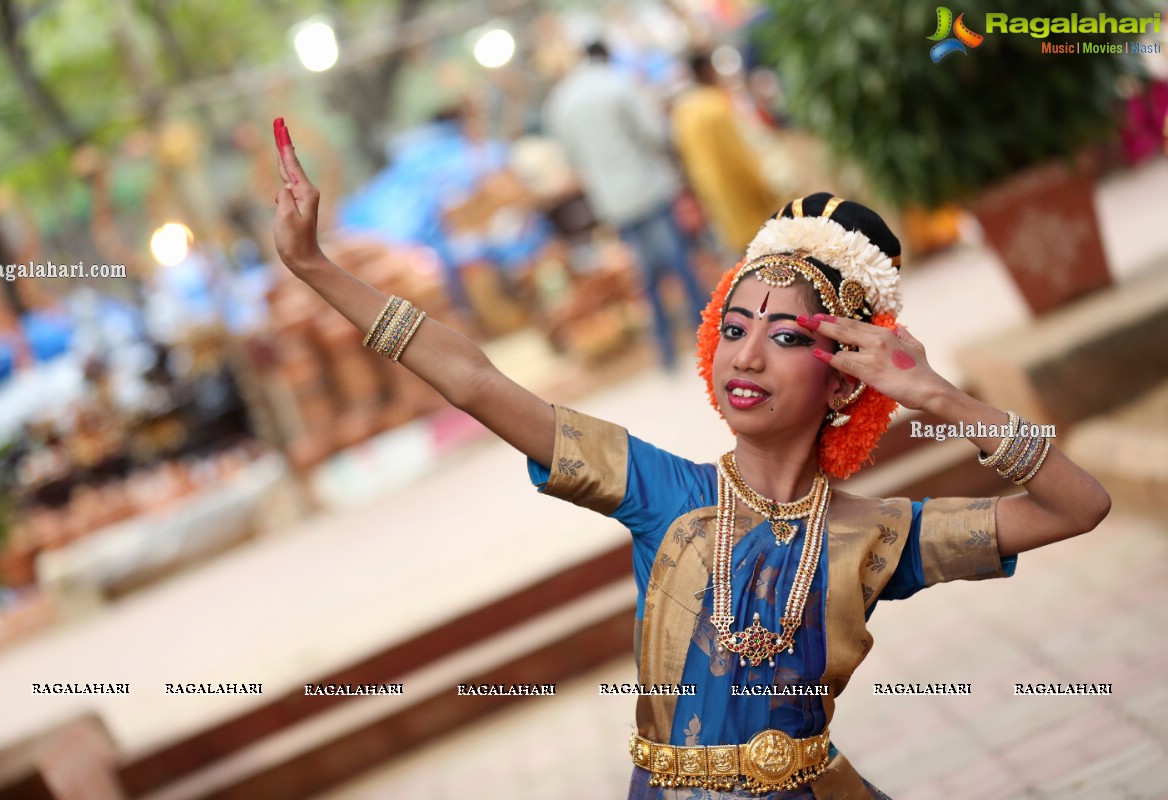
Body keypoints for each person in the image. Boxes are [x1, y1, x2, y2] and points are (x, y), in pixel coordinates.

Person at [271, 126, 1111, 798]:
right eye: (735, 327)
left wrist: (946, 401)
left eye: (786, 337)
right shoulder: (661, 493)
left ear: (842, 382)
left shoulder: (876, 538)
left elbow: (1079, 507)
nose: (746, 355)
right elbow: (474, 378)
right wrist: (315, 268)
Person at [543, 41, 710, 369]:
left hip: (612, 200)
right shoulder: (617, 82)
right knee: (678, 262)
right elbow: (654, 132)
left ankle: (664, 352)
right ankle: (704, 335)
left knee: (644, 275)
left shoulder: (559, 102)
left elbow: (570, 158)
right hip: (648, 187)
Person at [672, 50, 779, 257]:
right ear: (708, 72)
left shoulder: (683, 114)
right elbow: (738, 156)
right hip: (741, 195)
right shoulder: (716, 107)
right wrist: (763, 188)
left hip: (716, 199)